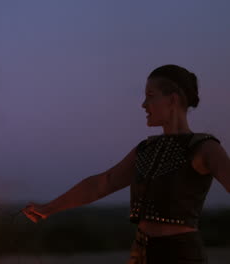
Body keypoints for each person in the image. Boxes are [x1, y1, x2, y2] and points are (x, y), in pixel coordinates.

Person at [23, 64, 230, 264]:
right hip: (140, 253)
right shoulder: (146, 149)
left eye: (150, 96)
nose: (143, 105)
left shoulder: (204, 148)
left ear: (172, 100)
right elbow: (103, 183)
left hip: (180, 255)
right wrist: (49, 208)